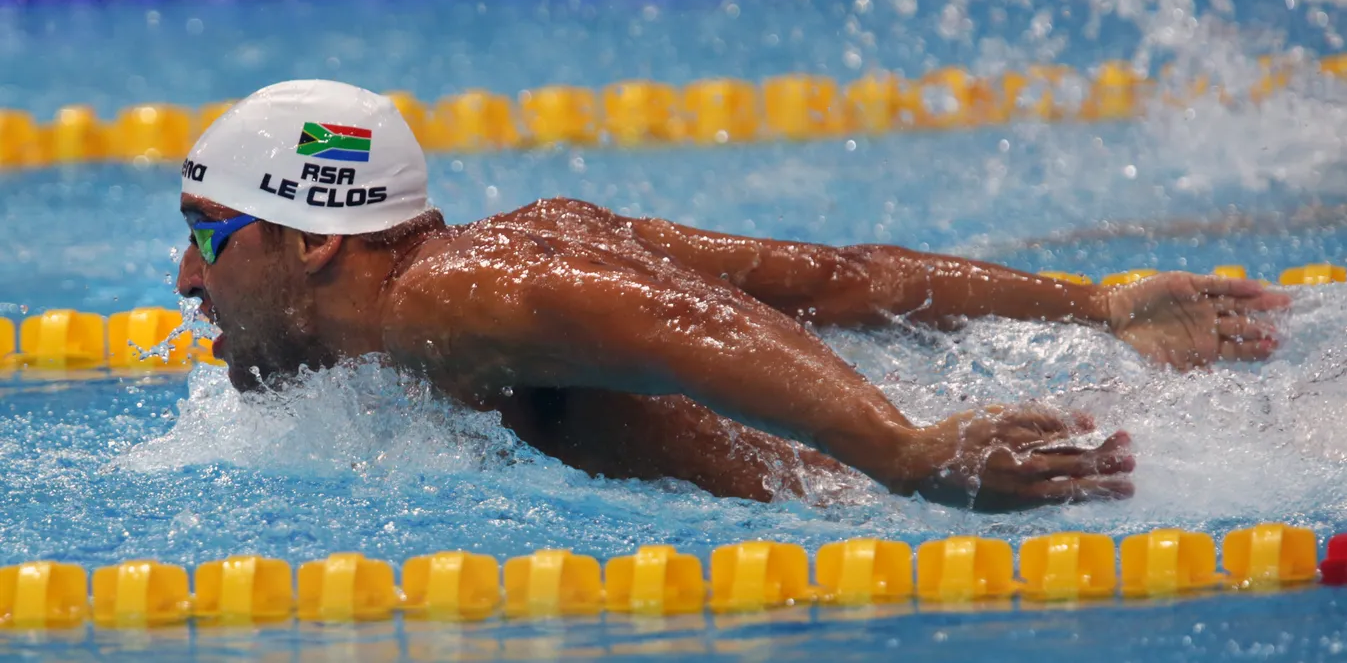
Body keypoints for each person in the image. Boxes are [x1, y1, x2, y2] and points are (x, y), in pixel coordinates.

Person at [175, 80, 1291, 511]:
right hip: (857, 487)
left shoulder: (444, 301)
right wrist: (1095, 307)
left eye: (208, 236)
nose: (187, 280)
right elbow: (847, 278)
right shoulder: (524, 249)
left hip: (864, 508)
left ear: (316, 241)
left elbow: (683, 324)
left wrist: (905, 452)